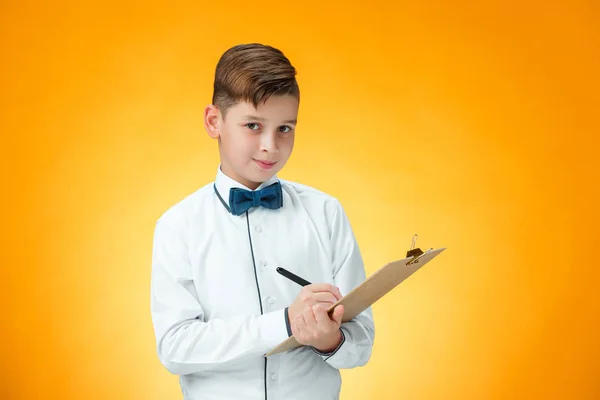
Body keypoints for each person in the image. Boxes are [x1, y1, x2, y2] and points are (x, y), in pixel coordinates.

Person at [150, 43, 375, 400]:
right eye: (253, 125)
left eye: (285, 128)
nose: (271, 145)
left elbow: (362, 342)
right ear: (214, 121)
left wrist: (331, 340)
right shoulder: (178, 225)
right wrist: (284, 323)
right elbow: (176, 347)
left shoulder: (326, 213)